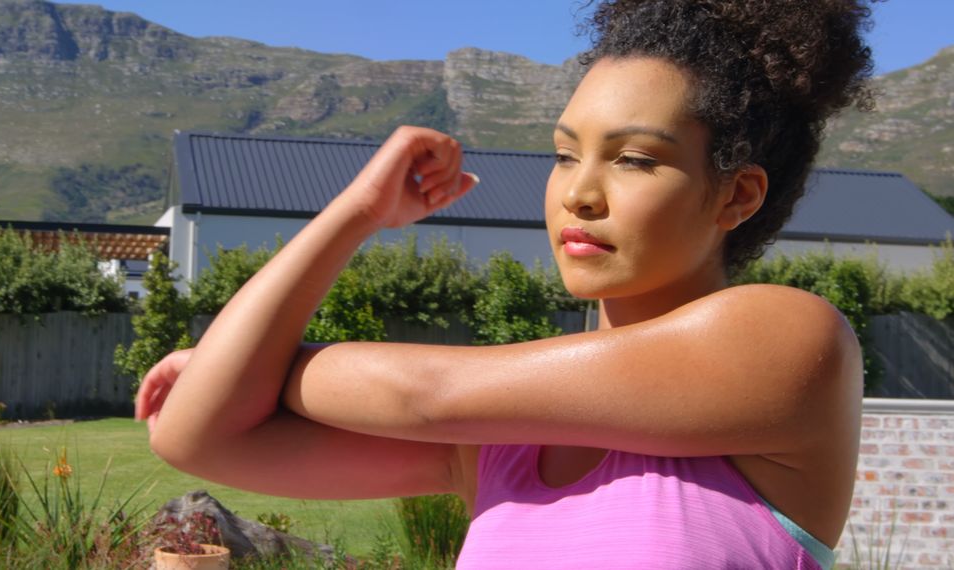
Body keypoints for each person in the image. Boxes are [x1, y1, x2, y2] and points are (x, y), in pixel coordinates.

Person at [136, 1, 874, 567]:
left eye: (637, 159)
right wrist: (356, 213)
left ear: (737, 196)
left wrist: (256, 367)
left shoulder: (790, 341)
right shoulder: (499, 445)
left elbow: (423, 394)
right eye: (563, 155)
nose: (579, 194)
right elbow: (195, 434)